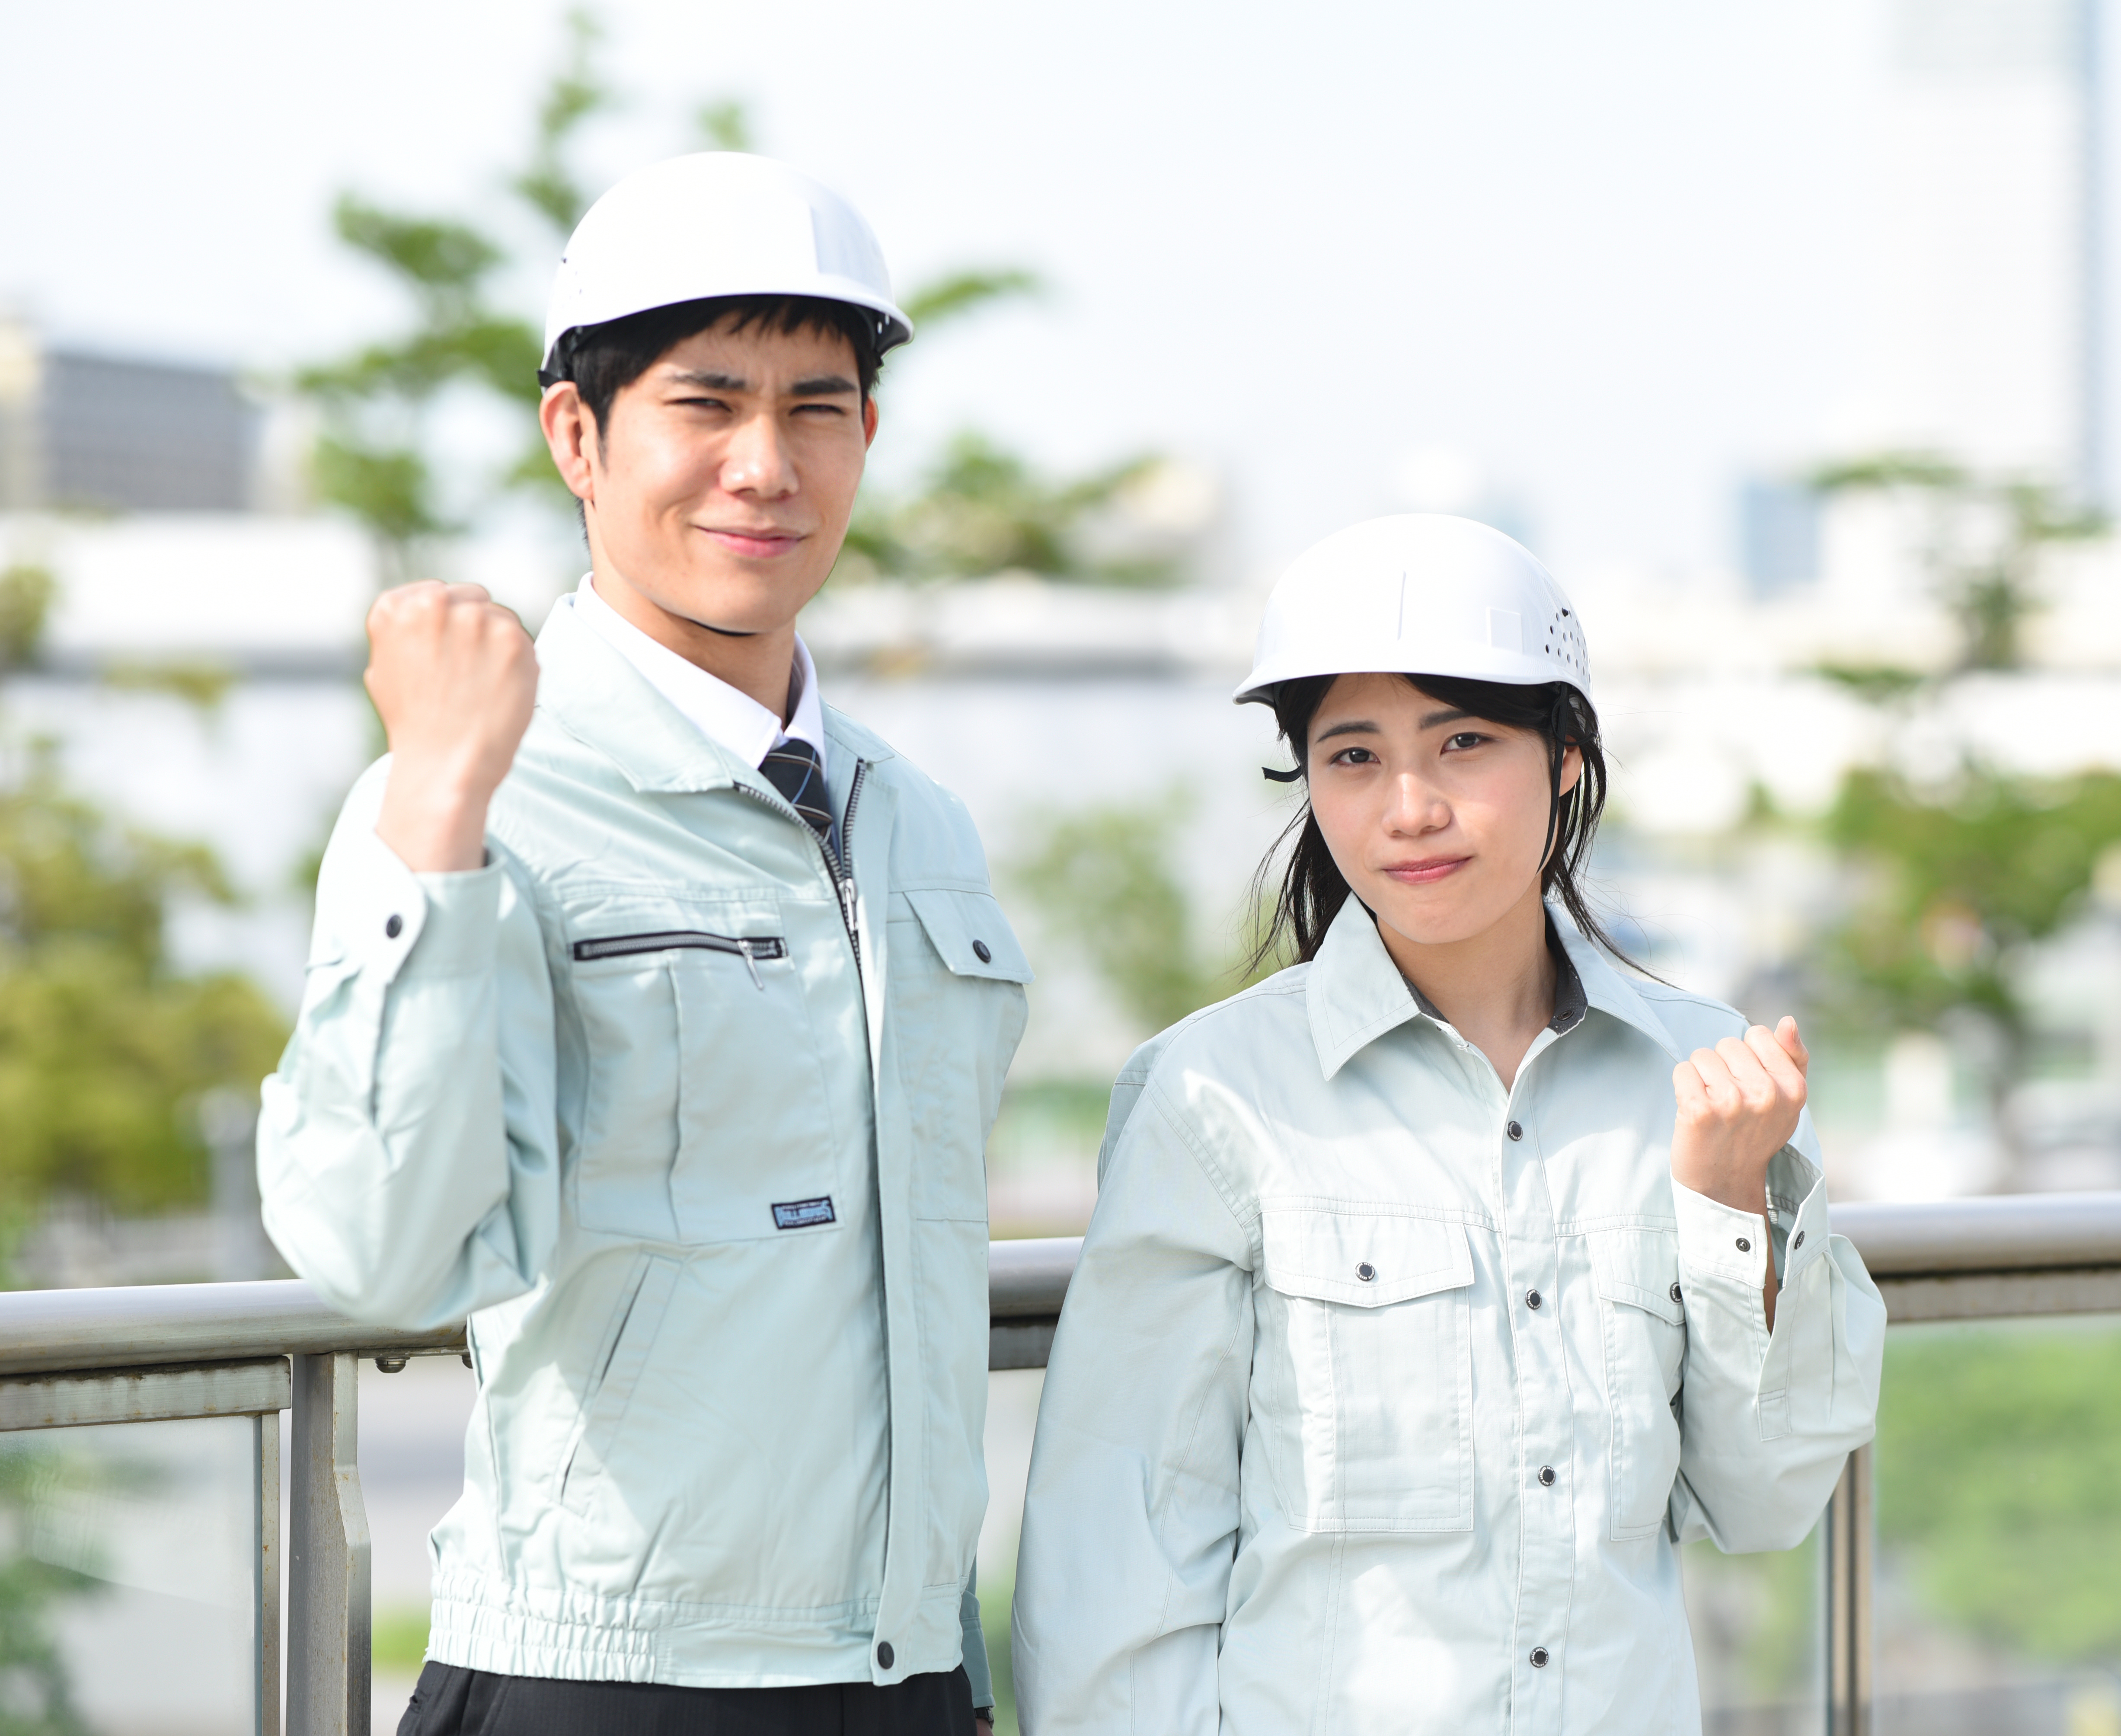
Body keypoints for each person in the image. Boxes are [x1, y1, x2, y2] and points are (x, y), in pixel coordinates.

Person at [257, 153, 1025, 1735]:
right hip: (603, 1678)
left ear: (866, 440)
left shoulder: (919, 824)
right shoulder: (465, 802)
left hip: (907, 1674)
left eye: (818, 408)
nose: (766, 465)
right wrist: (445, 808)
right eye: (707, 404)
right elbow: (383, 1254)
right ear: (580, 439)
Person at [1009, 514, 1885, 1733]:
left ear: (1566, 755)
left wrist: (1731, 1206)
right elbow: (1123, 1558)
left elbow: (1768, 1498)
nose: (1408, 808)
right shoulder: (1217, 1098)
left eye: (1463, 743)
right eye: (1353, 757)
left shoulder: (1701, 1075)